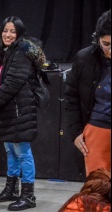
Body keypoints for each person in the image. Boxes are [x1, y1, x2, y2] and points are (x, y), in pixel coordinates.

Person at [0, 16, 46, 211]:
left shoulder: (22, 53)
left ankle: (28, 195)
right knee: (10, 151)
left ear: (19, 34)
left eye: (12, 31)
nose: (8, 35)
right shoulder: (2, 52)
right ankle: (11, 190)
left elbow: (11, 86)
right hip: (4, 112)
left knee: (23, 153)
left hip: (19, 112)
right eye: (5, 31)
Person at [64, 10, 111, 177]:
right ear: (97, 39)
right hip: (97, 131)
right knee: (97, 190)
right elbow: (71, 98)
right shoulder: (84, 58)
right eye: (106, 44)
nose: (111, 50)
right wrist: (76, 133)